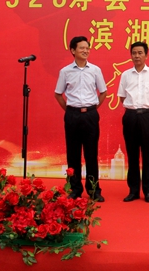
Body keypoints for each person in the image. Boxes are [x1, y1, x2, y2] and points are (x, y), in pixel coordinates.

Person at [54, 36, 107, 202]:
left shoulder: (95, 70)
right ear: (73, 50)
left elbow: (103, 92)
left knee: (91, 154)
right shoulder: (65, 71)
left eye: (87, 48)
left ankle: (94, 190)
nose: (85, 51)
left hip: (90, 115)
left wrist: (92, 108)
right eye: (82, 48)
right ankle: (75, 189)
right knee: (73, 154)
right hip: (72, 115)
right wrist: (70, 110)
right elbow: (58, 94)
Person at [118, 42, 149, 203]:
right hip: (130, 116)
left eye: (140, 53)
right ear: (131, 55)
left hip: (147, 116)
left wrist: (146, 108)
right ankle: (133, 191)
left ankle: (148, 191)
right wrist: (134, 109)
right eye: (134, 53)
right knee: (132, 155)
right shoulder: (125, 75)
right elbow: (122, 97)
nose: (137, 56)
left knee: (147, 154)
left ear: (146, 55)